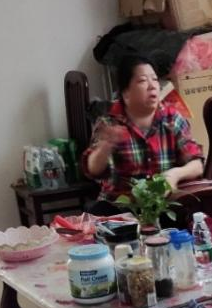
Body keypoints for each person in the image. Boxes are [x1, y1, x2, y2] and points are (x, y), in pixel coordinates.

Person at [82, 55, 204, 205]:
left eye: (154, 79)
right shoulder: (109, 123)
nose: (152, 86)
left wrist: (175, 174)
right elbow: (92, 170)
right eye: (142, 81)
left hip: (162, 205)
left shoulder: (173, 119)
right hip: (120, 207)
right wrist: (105, 147)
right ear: (126, 93)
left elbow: (197, 164)